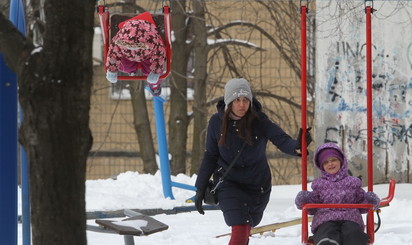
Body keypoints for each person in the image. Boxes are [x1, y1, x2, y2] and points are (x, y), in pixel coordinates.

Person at [194, 78, 312, 245]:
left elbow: (281, 139)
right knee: (240, 226)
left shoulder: (259, 120)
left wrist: (297, 146)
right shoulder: (216, 122)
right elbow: (210, 155)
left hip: (257, 184)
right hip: (229, 182)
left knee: (246, 226)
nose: (242, 105)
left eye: (245, 100)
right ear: (229, 101)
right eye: (237, 100)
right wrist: (200, 187)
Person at [295, 142, 381, 245]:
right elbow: (312, 207)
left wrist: (370, 200)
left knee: (352, 232)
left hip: (350, 218)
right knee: (327, 232)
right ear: (321, 166)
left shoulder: (353, 183)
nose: (330, 164)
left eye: (333, 160)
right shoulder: (319, 185)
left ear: (341, 161)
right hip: (325, 219)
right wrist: (305, 200)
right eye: (326, 162)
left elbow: (362, 204)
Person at [105, 12, 166, 96]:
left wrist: (155, 72)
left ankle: (154, 84)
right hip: (129, 54)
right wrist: (111, 70)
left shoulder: (152, 40)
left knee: (150, 70)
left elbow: (159, 56)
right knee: (123, 65)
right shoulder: (120, 40)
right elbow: (113, 54)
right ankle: (131, 70)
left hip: (147, 55)